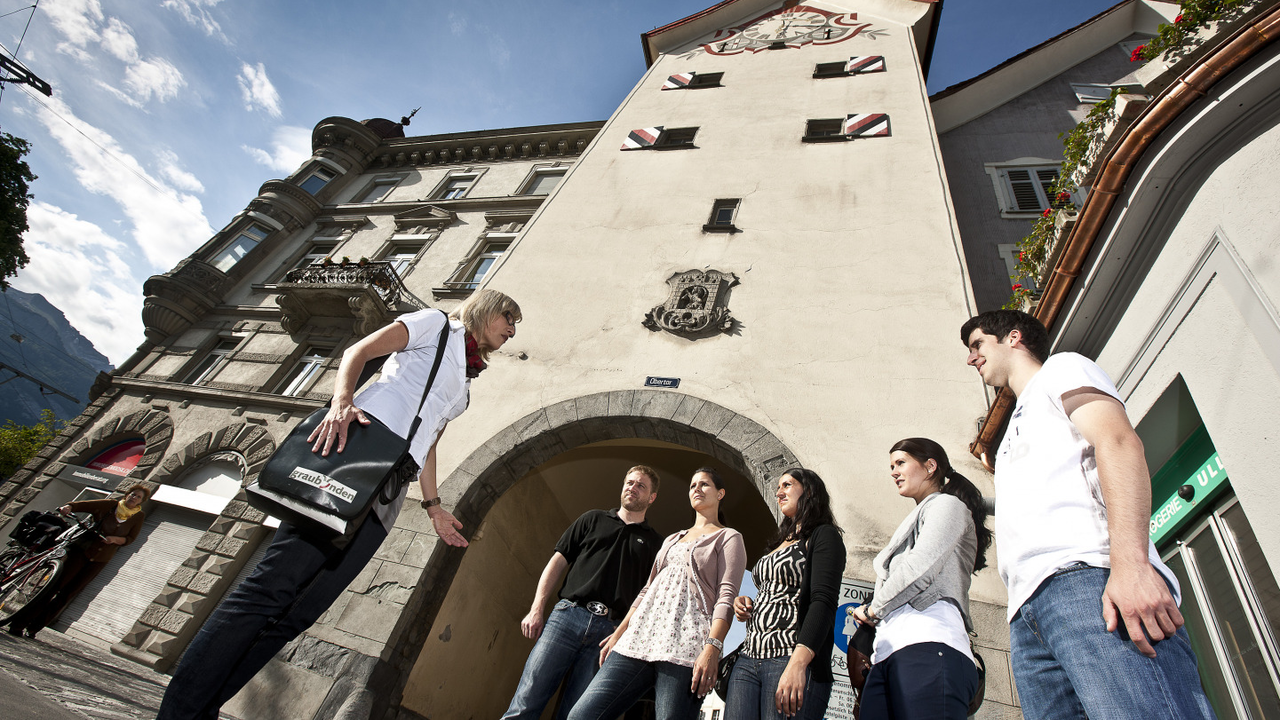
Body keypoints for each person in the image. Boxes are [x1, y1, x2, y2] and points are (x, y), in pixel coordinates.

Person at [156, 288, 521, 720]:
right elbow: (360, 350)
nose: (512, 331)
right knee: (269, 590)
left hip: (389, 490)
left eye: (516, 326)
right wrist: (341, 402)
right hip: (353, 466)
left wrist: (433, 505)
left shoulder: (464, 383)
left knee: (299, 613)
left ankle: (204, 707)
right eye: (509, 319)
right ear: (484, 310)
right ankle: (181, 711)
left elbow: (429, 441)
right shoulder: (434, 324)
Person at [960, 309, 1216, 720]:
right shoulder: (1010, 434)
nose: (971, 358)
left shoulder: (1063, 368)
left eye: (977, 345)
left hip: (1087, 580)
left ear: (1012, 337)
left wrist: (1131, 564)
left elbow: (1118, 442)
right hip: (1027, 614)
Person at [567, 467, 746, 720]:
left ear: (720, 494)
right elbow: (647, 589)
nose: (696, 489)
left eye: (704, 484)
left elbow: (726, 596)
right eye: (693, 485)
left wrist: (712, 648)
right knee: (582, 715)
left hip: (684, 645)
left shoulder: (728, 537)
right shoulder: (672, 539)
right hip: (639, 639)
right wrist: (618, 634)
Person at [501, 465, 664, 720]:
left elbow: (650, 598)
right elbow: (556, 562)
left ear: (652, 497)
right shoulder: (592, 519)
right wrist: (536, 609)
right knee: (525, 702)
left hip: (608, 634)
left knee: (578, 715)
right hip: (566, 618)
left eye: (641, 485)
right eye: (629, 482)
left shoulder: (656, 544)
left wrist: (625, 636)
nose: (632, 487)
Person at [850, 439, 991, 720]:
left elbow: (920, 567)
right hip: (888, 654)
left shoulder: (948, 505)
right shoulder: (922, 514)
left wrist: (873, 608)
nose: (893, 471)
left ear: (930, 467)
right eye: (892, 466)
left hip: (929, 644)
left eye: (901, 463)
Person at [728, 468, 846, 720]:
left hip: (787, 656)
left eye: (787, 485)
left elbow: (822, 601)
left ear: (810, 491)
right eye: (778, 487)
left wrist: (798, 663)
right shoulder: (778, 543)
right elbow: (773, 591)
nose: (778, 492)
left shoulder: (824, 535)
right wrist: (745, 603)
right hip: (749, 658)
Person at [1, 484, 150, 638]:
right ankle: (18, 624)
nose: (134, 498)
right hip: (82, 550)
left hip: (100, 559)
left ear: (141, 501)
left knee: (68, 593)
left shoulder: (138, 516)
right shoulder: (111, 505)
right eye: (133, 494)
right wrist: (69, 507)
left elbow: (130, 538)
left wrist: (115, 539)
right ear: (127, 494)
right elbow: (83, 505)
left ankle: (34, 628)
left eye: (138, 497)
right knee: (54, 586)